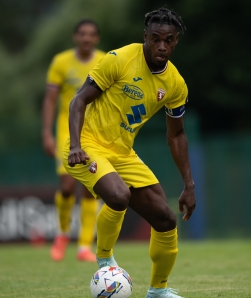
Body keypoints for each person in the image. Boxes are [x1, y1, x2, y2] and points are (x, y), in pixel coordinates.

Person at [63, 7, 195, 298]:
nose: (162, 46)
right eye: (156, 39)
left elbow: (177, 134)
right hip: (87, 145)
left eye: (169, 40)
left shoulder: (174, 84)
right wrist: (75, 146)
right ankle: (105, 261)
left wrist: (188, 184)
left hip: (122, 153)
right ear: (145, 37)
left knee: (165, 219)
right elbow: (78, 101)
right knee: (119, 195)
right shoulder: (119, 59)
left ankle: (158, 291)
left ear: (175, 42)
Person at [41, 19, 105, 262]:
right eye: (82, 34)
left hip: (94, 132)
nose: (86, 38)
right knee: (67, 187)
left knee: (91, 188)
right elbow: (49, 99)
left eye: (91, 34)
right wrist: (46, 133)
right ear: (75, 37)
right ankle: (62, 234)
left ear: (96, 38)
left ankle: (84, 246)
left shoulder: (104, 60)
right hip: (66, 132)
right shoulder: (61, 62)